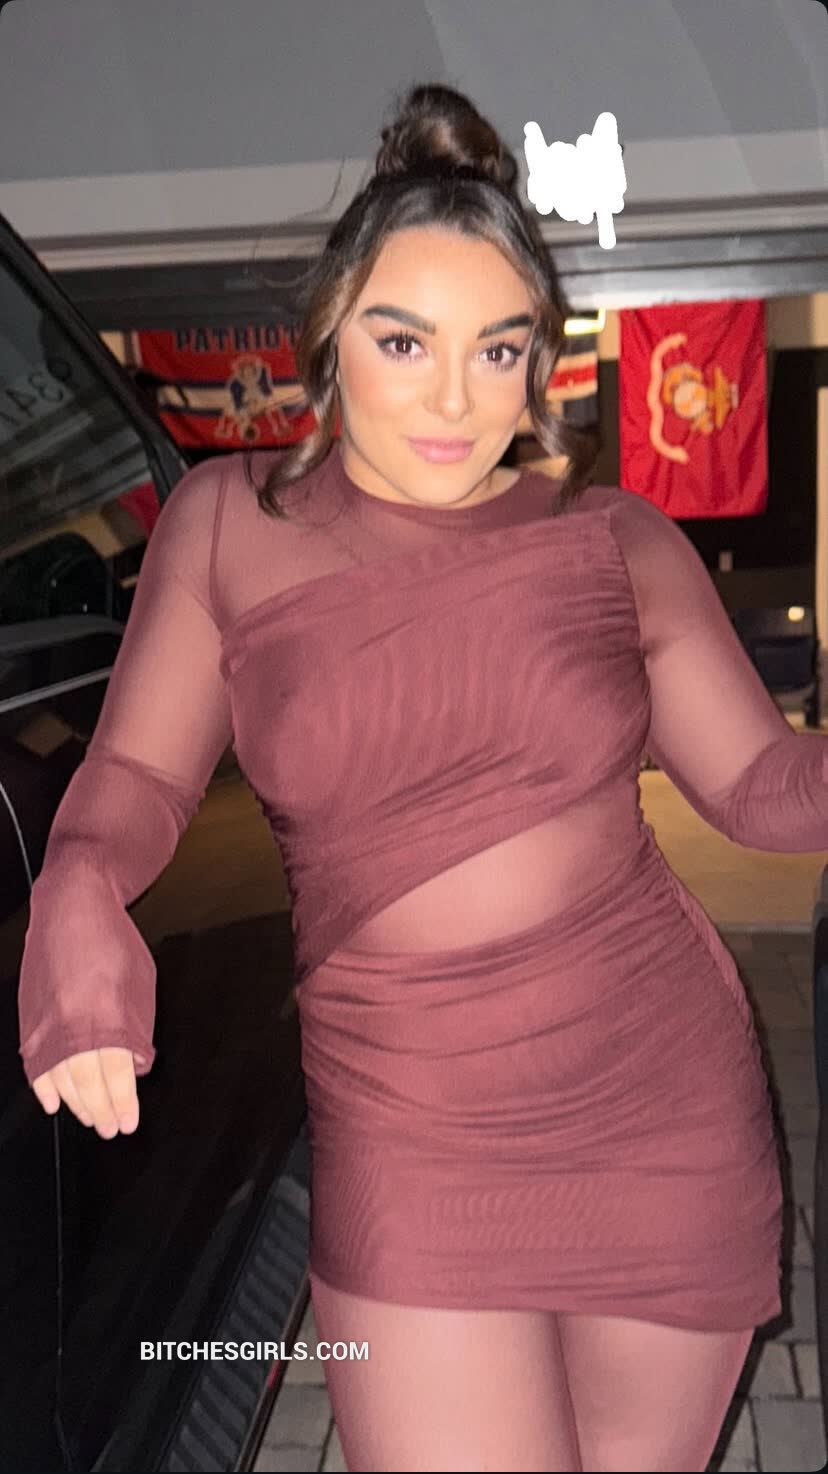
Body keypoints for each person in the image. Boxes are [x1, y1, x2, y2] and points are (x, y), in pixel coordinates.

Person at [17, 82, 828, 1472]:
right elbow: (135, 778)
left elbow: (762, 787)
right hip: (410, 1137)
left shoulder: (615, 537)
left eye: (497, 349)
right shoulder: (229, 526)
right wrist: (77, 888)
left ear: (538, 362)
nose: (457, 398)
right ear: (331, 338)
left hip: (661, 1107)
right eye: (406, 341)